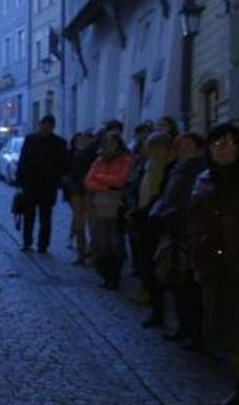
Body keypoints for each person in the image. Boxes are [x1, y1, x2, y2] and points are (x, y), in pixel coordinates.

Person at [188, 124, 239, 405]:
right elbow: (195, 223)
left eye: (229, 143)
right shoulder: (206, 180)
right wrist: (196, 260)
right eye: (217, 144)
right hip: (215, 267)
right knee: (226, 334)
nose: (223, 149)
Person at [149, 132, 207, 350]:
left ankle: (196, 333)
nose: (182, 149)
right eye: (180, 145)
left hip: (187, 232)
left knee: (190, 287)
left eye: (187, 146)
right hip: (173, 229)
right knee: (179, 284)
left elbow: (188, 202)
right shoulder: (178, 168)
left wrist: (169, 215)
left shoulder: (197, 170)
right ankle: (185, 328)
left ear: (197, 148)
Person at [131, 132, 174, 328]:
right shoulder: (147, 167)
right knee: (146, 265)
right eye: (151, 147)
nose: (153, 151)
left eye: (156, 147)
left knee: (158, 268)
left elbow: (161, 197)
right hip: (143, 219)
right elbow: (138, 189)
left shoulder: (168, 169)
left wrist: (143, 212)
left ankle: (160, 312)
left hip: (156, 223)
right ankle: (155, 310)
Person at [85, 132, 133, 290]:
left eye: (112, 142)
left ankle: (114, 277)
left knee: (114, 244)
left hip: (116, 207)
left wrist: (101, 179)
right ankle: (105, 275)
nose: (109, 146)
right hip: (99, 206)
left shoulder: (125, 160)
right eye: (106, 143)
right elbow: (89, 181)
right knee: (101, 243)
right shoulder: (99, 161)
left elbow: (121, 181)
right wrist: (106, 186)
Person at [15, 114, 69, 253]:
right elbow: (23, 159)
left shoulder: (60, 143)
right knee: (29, 216)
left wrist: (58, 180)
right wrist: (20, 179)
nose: (45, 128)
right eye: (43, 125)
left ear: (52, 127)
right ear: (40, 125)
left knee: (46, 217)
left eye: (48, 126)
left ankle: (43, 245)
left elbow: (63, 164)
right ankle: (27, 242)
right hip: (31, 184)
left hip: (48, 185)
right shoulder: (30, 139)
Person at [63, 131, 96, 264]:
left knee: (89, 225)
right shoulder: (70, 156)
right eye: (78, 141)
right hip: (75, 193)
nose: (81, 143)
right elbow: (65, 173)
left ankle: (90, 253)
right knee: (79, 224)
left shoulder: (93, 157)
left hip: (88, 192)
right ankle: (81, 253)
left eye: (84, 140)